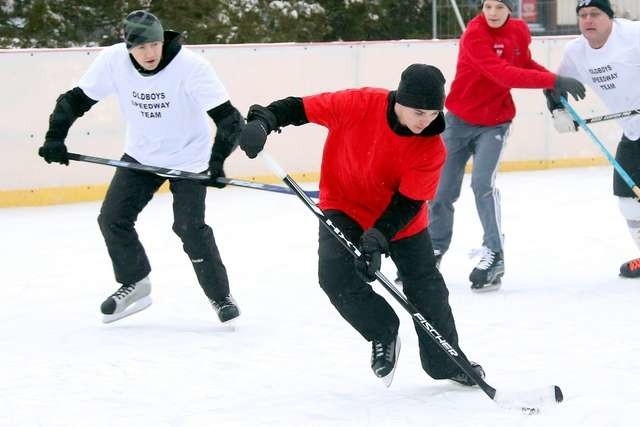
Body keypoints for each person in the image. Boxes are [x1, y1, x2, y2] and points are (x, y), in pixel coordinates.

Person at [237, 63, 484, 387]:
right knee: (335, 276)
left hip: (401, 223)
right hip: (344, 207)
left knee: (426, 289)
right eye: (418, 112)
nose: (425, 121)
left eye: (432, 113)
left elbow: (408, 203)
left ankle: (446, 362)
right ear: (400, 100)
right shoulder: (358, 104)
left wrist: (378, 237)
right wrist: (264, 121)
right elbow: (300, 108)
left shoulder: (432, 147)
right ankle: (382, 330)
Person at [38, 10, 243, 324]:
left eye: (155, 44)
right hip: (141, 156)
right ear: (128, 47)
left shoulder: (191, 67)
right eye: (141, 47)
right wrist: (55, 137)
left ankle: (220, 297)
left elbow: (229, 118)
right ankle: (135, 283)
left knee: (189, 228)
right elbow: (75, 100)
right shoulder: (112, 62)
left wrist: (216, 163)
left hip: (189, 159)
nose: (150, 53)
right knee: (112, 219)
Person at [426, 0, 586, 292]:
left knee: (482, 185)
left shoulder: (519, 30)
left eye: (499, 6)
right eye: (488, 6)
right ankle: (433, 250)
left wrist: (550, 84)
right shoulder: (474, 34)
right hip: (459, 122)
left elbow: (522, 65)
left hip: (495, 123)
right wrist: (553, 78)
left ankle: (494, 254)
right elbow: (502, 73)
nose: (493, 13)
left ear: (510, 8)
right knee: (441, 191)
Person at [545, 0, 640, 278]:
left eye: (595, 14)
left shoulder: (633, 35)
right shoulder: (576, 51)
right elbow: (555, 86)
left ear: (609, 17)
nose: (588, 20)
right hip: (633, 129)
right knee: (626, 197)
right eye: (582, 15)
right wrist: (558, 109)